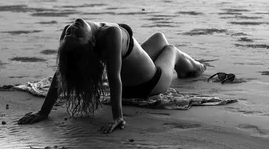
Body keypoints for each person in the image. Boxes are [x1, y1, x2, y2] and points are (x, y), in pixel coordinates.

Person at [17, 18, 206, 133]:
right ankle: (193, 67)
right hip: (150, 83)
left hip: (138, 70)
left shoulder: (68, 32)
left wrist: (43, 112)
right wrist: (117, 117)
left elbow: (61, 70)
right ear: (91, 42)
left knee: (159, 37)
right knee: (171, 49)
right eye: (76, 36)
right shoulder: (111, 34)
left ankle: (180, 62)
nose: (72, 30)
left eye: (71, 33)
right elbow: (114, 79)